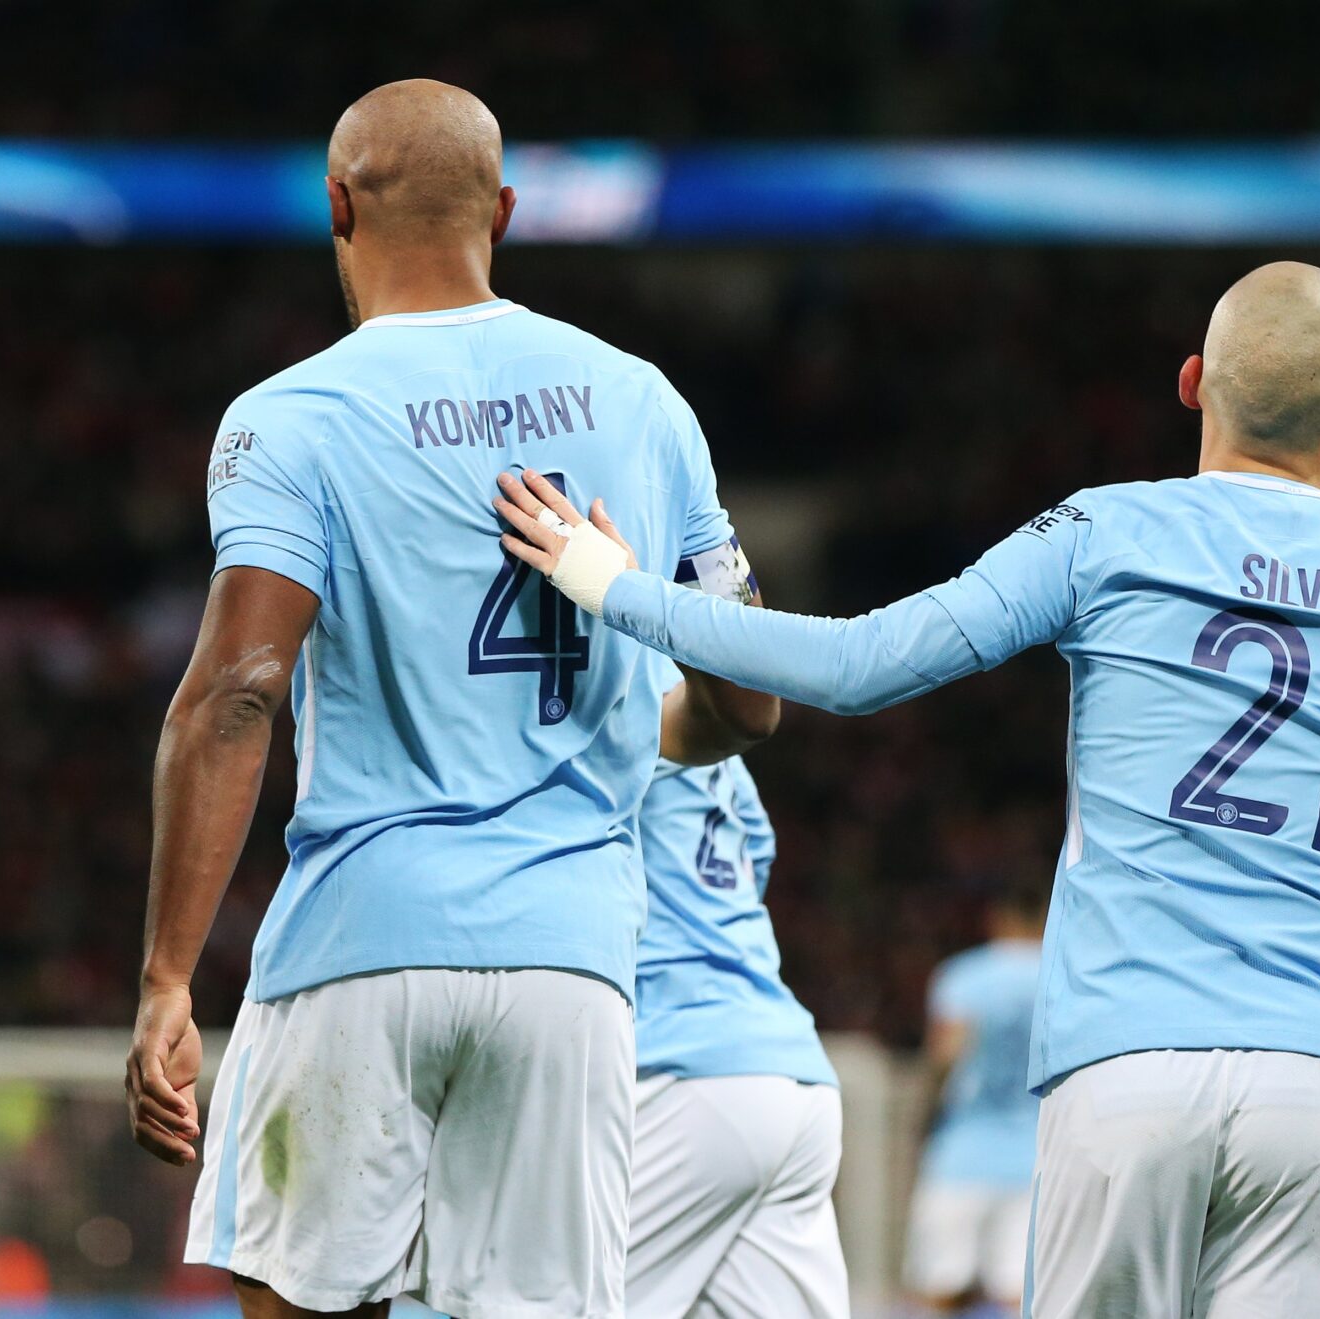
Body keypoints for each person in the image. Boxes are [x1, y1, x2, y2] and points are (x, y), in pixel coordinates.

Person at [492, 261, 1320, 1316]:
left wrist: (612, 586)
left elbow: (858, 666)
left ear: (1191, 382)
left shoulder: (1106, 533)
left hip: (1124, 1070)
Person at [123, 80, 777, 1319]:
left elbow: (238, 693)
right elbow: (749, 703)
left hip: (360, 940)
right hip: (571, 966)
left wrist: (165, 975)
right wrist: (643, 722)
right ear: (508, 211)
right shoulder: (641, 398)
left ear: (336, 205)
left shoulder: (292, 416)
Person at [625, 658, 847, 1319]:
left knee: (538, 1298)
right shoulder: (720, 746)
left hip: (674, 1068)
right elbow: (756, 862)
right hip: (789, 1075)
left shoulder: (599, 690)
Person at [903, 881, 1046, 1315]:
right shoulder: (1061, 976)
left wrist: (921, 1123)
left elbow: (944, 1059)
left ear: (998, 918)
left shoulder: (964, 977)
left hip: (962, 1154)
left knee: (939, 1290)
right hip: (1034, 1159)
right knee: (1018, 1295)